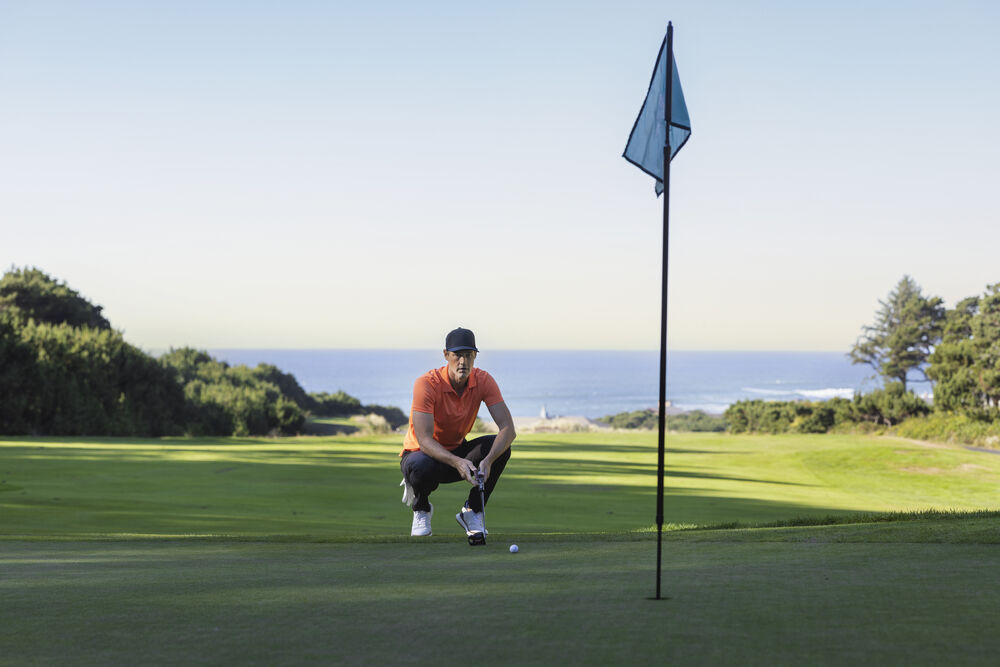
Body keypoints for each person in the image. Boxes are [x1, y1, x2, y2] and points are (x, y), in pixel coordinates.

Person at [399, 327, 516, 538]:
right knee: (420, 465)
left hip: (457, 452)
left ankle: (472, 511)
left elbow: (508, 429)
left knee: (501, 448)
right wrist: (457, 462)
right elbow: (424, 440)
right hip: (421, 455)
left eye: (468, 355)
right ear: (446, 355)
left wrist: (488, 460)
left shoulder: (483, 380)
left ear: (475, 356)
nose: (463, 361)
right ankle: (421, 508)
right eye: (457, 355)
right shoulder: (426, 384)